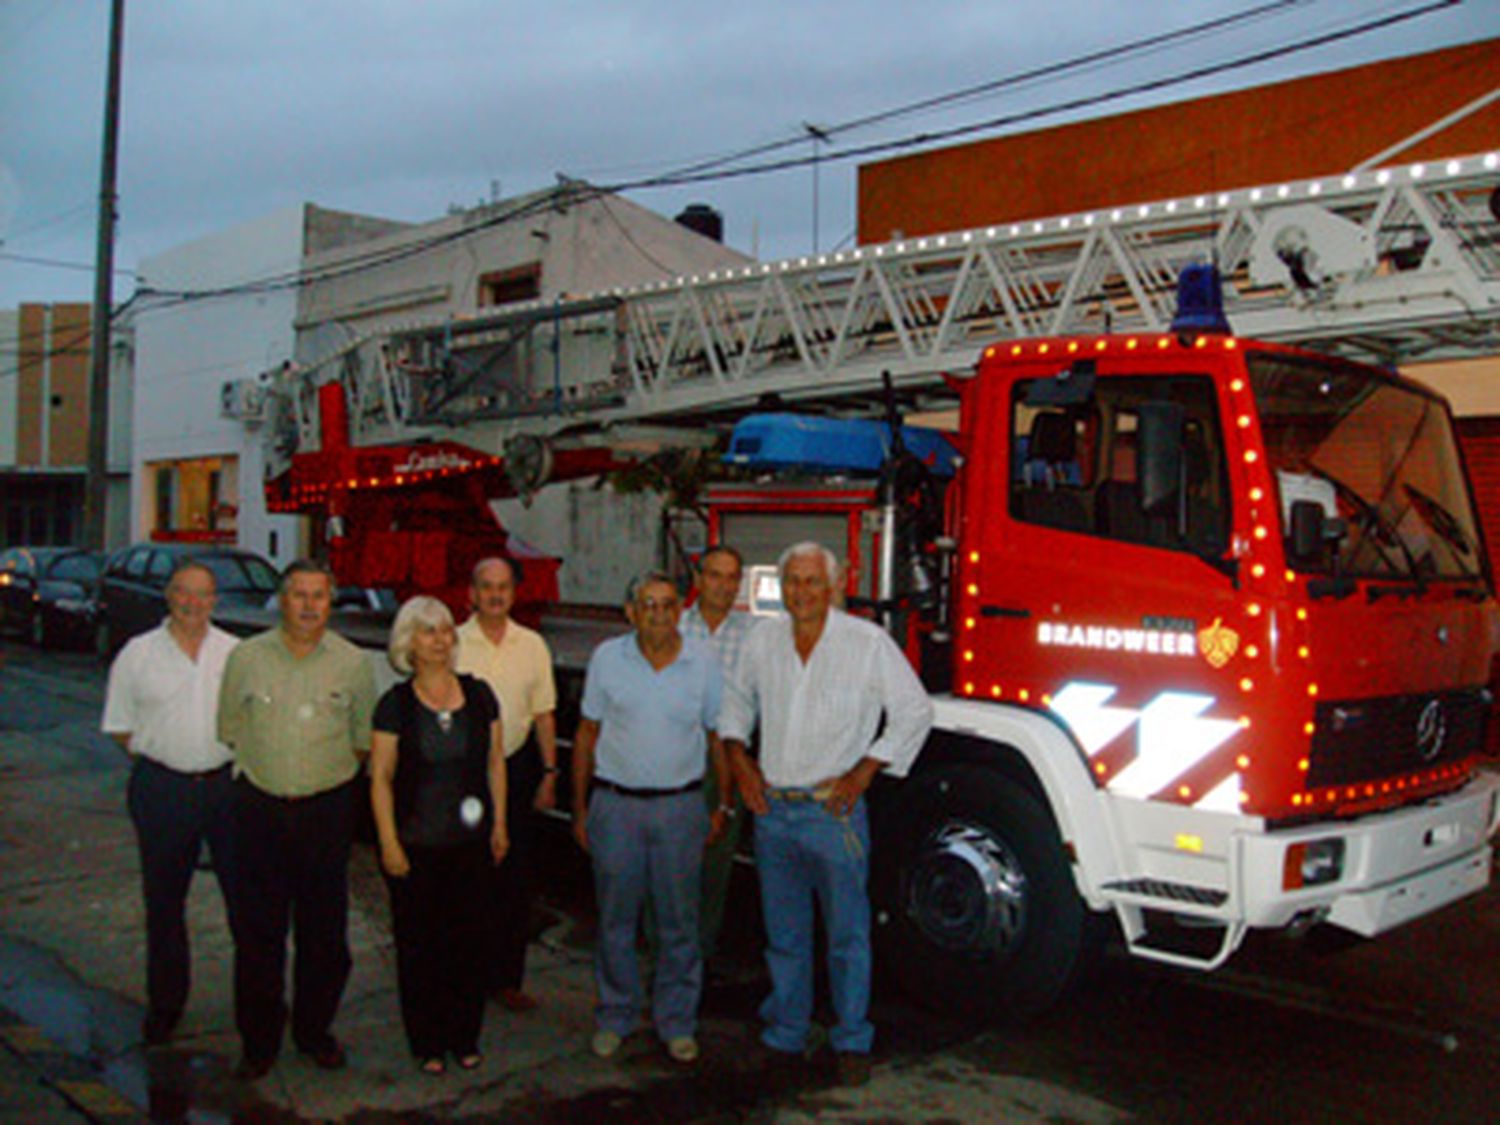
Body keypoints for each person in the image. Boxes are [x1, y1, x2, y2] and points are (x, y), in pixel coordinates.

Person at [719, 542, 932, 1088]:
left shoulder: (865, 643)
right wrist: (739, 757)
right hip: (774, 813)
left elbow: (914, 711)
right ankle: (787, 1031)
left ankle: (851, 1038)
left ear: (834, 586)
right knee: (784, 936)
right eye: (792, 581)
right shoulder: (762, 638)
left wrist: (864, 772)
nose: (801, 592)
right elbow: (734, 701)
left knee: (847, 937)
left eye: (813, 582)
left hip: (833, 816)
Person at [217, 559, 377, 1080]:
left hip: (325, 814)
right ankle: (259, 1043)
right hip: (259, 809)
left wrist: (320, 784)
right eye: (299, 595)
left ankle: (315, 1032)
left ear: (332, 603)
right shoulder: (247, 658)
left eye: (319, 596)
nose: (309, 605)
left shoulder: (353, 663)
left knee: (324, 937)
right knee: (258, 935)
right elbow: (230, 728)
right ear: (282, 601)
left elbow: (361, 740)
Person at [570, 571, 731, 1065]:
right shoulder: (607, 660)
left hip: (680, 809)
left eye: (667, 605)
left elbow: (715, 739)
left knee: (679, 923)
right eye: (648, 605)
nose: (659, 615)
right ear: (631, 612)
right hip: (616, 808)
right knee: (616, 921)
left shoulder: (703, 664)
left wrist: (720, 803)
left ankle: (677, 1022)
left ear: (678, 611)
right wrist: (580, 809)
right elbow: (587, 734)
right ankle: (615, 1015)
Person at [101, 559, 241, 1047]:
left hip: (226, 790)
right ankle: (166, 1007)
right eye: (183, 592)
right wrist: (166, 757)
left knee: (245, 905)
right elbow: (120, 726)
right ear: (168, 595)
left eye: (203, 594)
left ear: (214, 600)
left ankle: (256, 1014)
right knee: (164, 904)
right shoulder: (137, 655)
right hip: (162, 790)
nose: (192, 602)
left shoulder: (235, 653)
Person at [370, 596, 509, 1075]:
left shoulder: (480, 694)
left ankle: (464, 1036)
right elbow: (381, 778)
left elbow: (495, 763)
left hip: (469, 846)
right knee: (420, 948)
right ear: (408, 642)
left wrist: (500, 824)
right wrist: (388, 842)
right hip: (417, 847)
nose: (440, 640)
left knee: (469, 944)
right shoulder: (395, 705)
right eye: (428, 631)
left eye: (446, 630)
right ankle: (427, 1042)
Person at [455, 556, 559, 1012]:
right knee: (467, 876)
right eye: (486, 586)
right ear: (472, 593)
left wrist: (550, 773)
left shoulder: (532, 645)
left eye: (503, 587)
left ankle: (507, 980)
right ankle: (464, 976)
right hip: (465, 774)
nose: (495, 595)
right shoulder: (452, 642)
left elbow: (544, 713)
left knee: (514, 879)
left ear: (514, 594)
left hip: (517, 770)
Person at [677, 545, 755, 963]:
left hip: (724, 761)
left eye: (732, 578)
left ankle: (699, 961)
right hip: (674, 760)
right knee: (669, 868)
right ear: (698, 578)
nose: (724, 586)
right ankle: (663, 959)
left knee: (714, 867)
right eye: (715, 575)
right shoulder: (673, 627)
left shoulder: (755, 634)